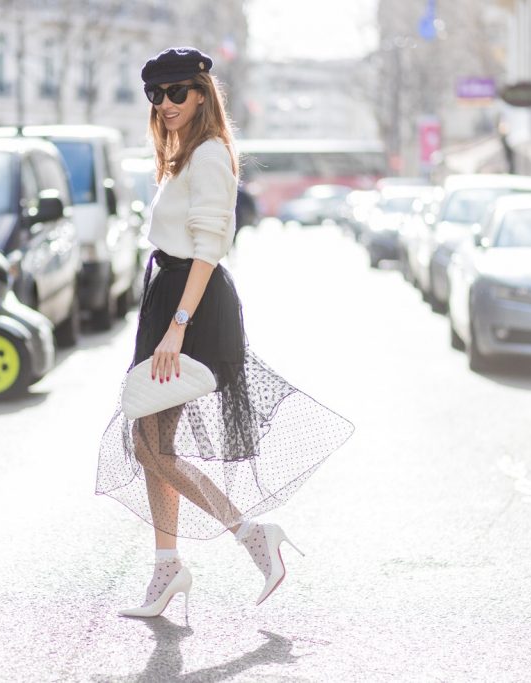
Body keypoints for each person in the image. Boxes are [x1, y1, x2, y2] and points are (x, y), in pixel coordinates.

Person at [95, 47, 353, 621]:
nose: (164, 104)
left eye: (176, 92)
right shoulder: (183, 154)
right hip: (170, 295)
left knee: (147, 442)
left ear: (203, 94)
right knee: (151, 441)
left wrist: (175, 329)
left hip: (193, 303)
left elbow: (211, 247)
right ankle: (169, 567)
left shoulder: (210, 154)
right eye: (155, 95)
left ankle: (249, 534)